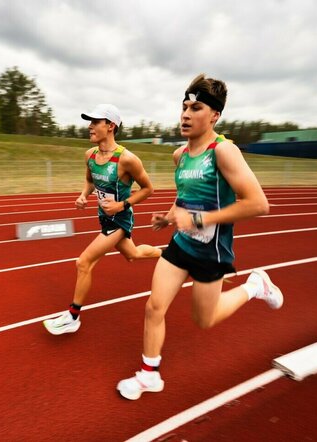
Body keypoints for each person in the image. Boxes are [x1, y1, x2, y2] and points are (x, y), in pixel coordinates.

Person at [116, 74, 284, 400]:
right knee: (154, 307)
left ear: (215, 116)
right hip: (180, 244)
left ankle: (255, 286)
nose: (185, 114)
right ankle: (149, 374)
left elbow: (258, 204)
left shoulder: (224, 152)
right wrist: (169, 216)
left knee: (204, 320)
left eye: (196, 107)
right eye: (183, 107)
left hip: (212, 251)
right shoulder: (179, 155)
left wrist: (198, 219)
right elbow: (185, 195)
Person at [43, 104, 162, 335]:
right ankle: (169, 255)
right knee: (133, 254)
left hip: (119, 220)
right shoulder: (90, 155)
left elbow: (148, 189)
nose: (90, 127)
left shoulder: (127, 159)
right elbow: (89, 180)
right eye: (90, 122)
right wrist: (83, 195)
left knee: (84, 262)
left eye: (95, 122)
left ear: (110, 126)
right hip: (103, 218)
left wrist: (121, 204)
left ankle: (73, 317)